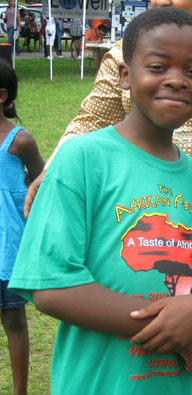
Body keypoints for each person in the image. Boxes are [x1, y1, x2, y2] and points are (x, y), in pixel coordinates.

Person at [9, 8, 192, 394]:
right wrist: (178, 331)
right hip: (104, 382)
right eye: (159, 66)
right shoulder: (82, 159)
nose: (177, 81)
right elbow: (52, 287)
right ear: (125, 76)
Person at [24, 0, 192, 217]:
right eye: (158, 67)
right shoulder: (128, 51)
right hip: (141, 194)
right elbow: (93, 119)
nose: (162, 1)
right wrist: (53, 168)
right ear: (125, 74)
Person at [0, 58, 45, 395]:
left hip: (7, 248)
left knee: (14, 320)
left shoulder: (19, 141)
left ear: (2, 96)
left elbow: (41, 181)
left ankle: (19, 391)